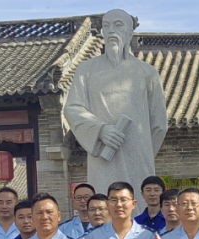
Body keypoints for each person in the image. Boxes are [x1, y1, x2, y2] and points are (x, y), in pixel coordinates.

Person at [63, 8, 168, 189]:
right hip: (102, 153)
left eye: (118, 25)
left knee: (139, 198)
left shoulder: (147, 72)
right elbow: (72, 108)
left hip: (139, 159)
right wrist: (100, 130)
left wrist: (141, 152)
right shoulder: (86, 70)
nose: (111, 30)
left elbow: (159, 123)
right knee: (103, 199)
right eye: (106, 26)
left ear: (130, 32)